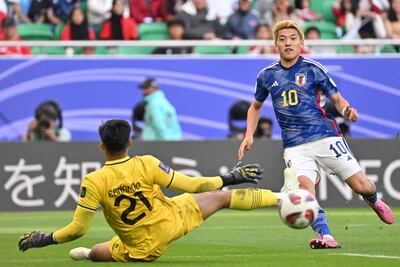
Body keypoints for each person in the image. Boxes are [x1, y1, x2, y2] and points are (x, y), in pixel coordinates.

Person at [18, 119, 282, 262]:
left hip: (143, 247)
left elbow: (78, 229)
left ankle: (89, 254)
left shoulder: (93, 180)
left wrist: (45, 238)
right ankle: (282, 198)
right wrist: (230, 177)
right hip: (172, 220)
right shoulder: (146, 163)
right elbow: (192, 184)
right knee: (223, 197)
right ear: (130, 142)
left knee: (98, 253)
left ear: (101, 146)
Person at [237, 20, 394, 249]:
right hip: (294, 146)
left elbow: (338, 101)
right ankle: (325, 236)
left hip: (326, 137)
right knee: (304, 191)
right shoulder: (266, 76)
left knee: (362, 186)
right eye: (282, 39)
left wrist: (347, 112)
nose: (288, 43)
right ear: (275, 44)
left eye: (292, 38)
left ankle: (374, 200)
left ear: (301, 42)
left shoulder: (313, 69)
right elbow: (255, 106)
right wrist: (249, 134)